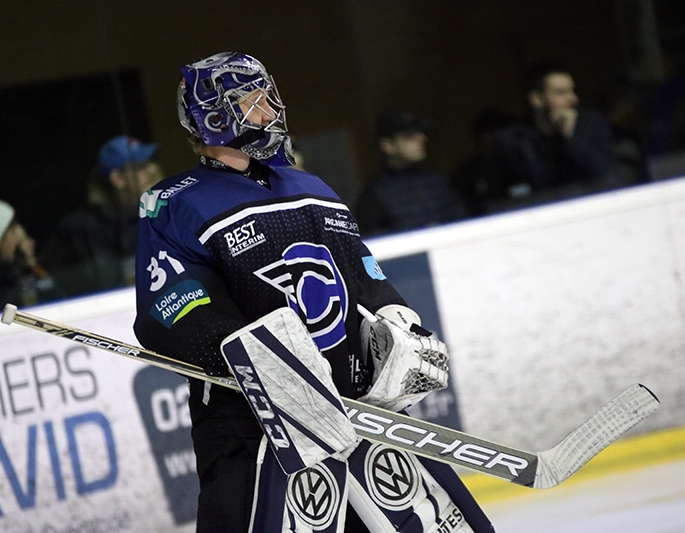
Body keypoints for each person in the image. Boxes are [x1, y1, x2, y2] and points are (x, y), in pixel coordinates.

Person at [133, 52, 492, 533]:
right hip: (257, 429)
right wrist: (262, 362)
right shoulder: (175, 203)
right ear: (214, 117)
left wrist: (399, 322)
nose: (270, 112)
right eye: (253, 103)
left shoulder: (313, 186)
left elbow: (363, 274)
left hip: (358, 409)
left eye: (268, 99)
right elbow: (171, 307)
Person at [486, 61, 623, 211]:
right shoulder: (512, 140)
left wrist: (570, 138)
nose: (573, 99)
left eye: (572, 91)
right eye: (561, 93)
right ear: (537, 99)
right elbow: (498, 199)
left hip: (593, 210)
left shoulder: (591, 124)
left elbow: (610, 177)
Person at [40, 135, 164, 297]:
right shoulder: (80, 228)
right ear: (118, 179)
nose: (152, 170)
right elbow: (48, 281)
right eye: (141, 167)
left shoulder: (165, 213)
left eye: (150, 164)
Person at [354, 110, 467, 236]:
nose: (422, 138)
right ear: (388, 146)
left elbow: (463, 221)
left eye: (419, 133)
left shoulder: (438, 180)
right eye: (409, 136)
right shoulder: (374, 195)